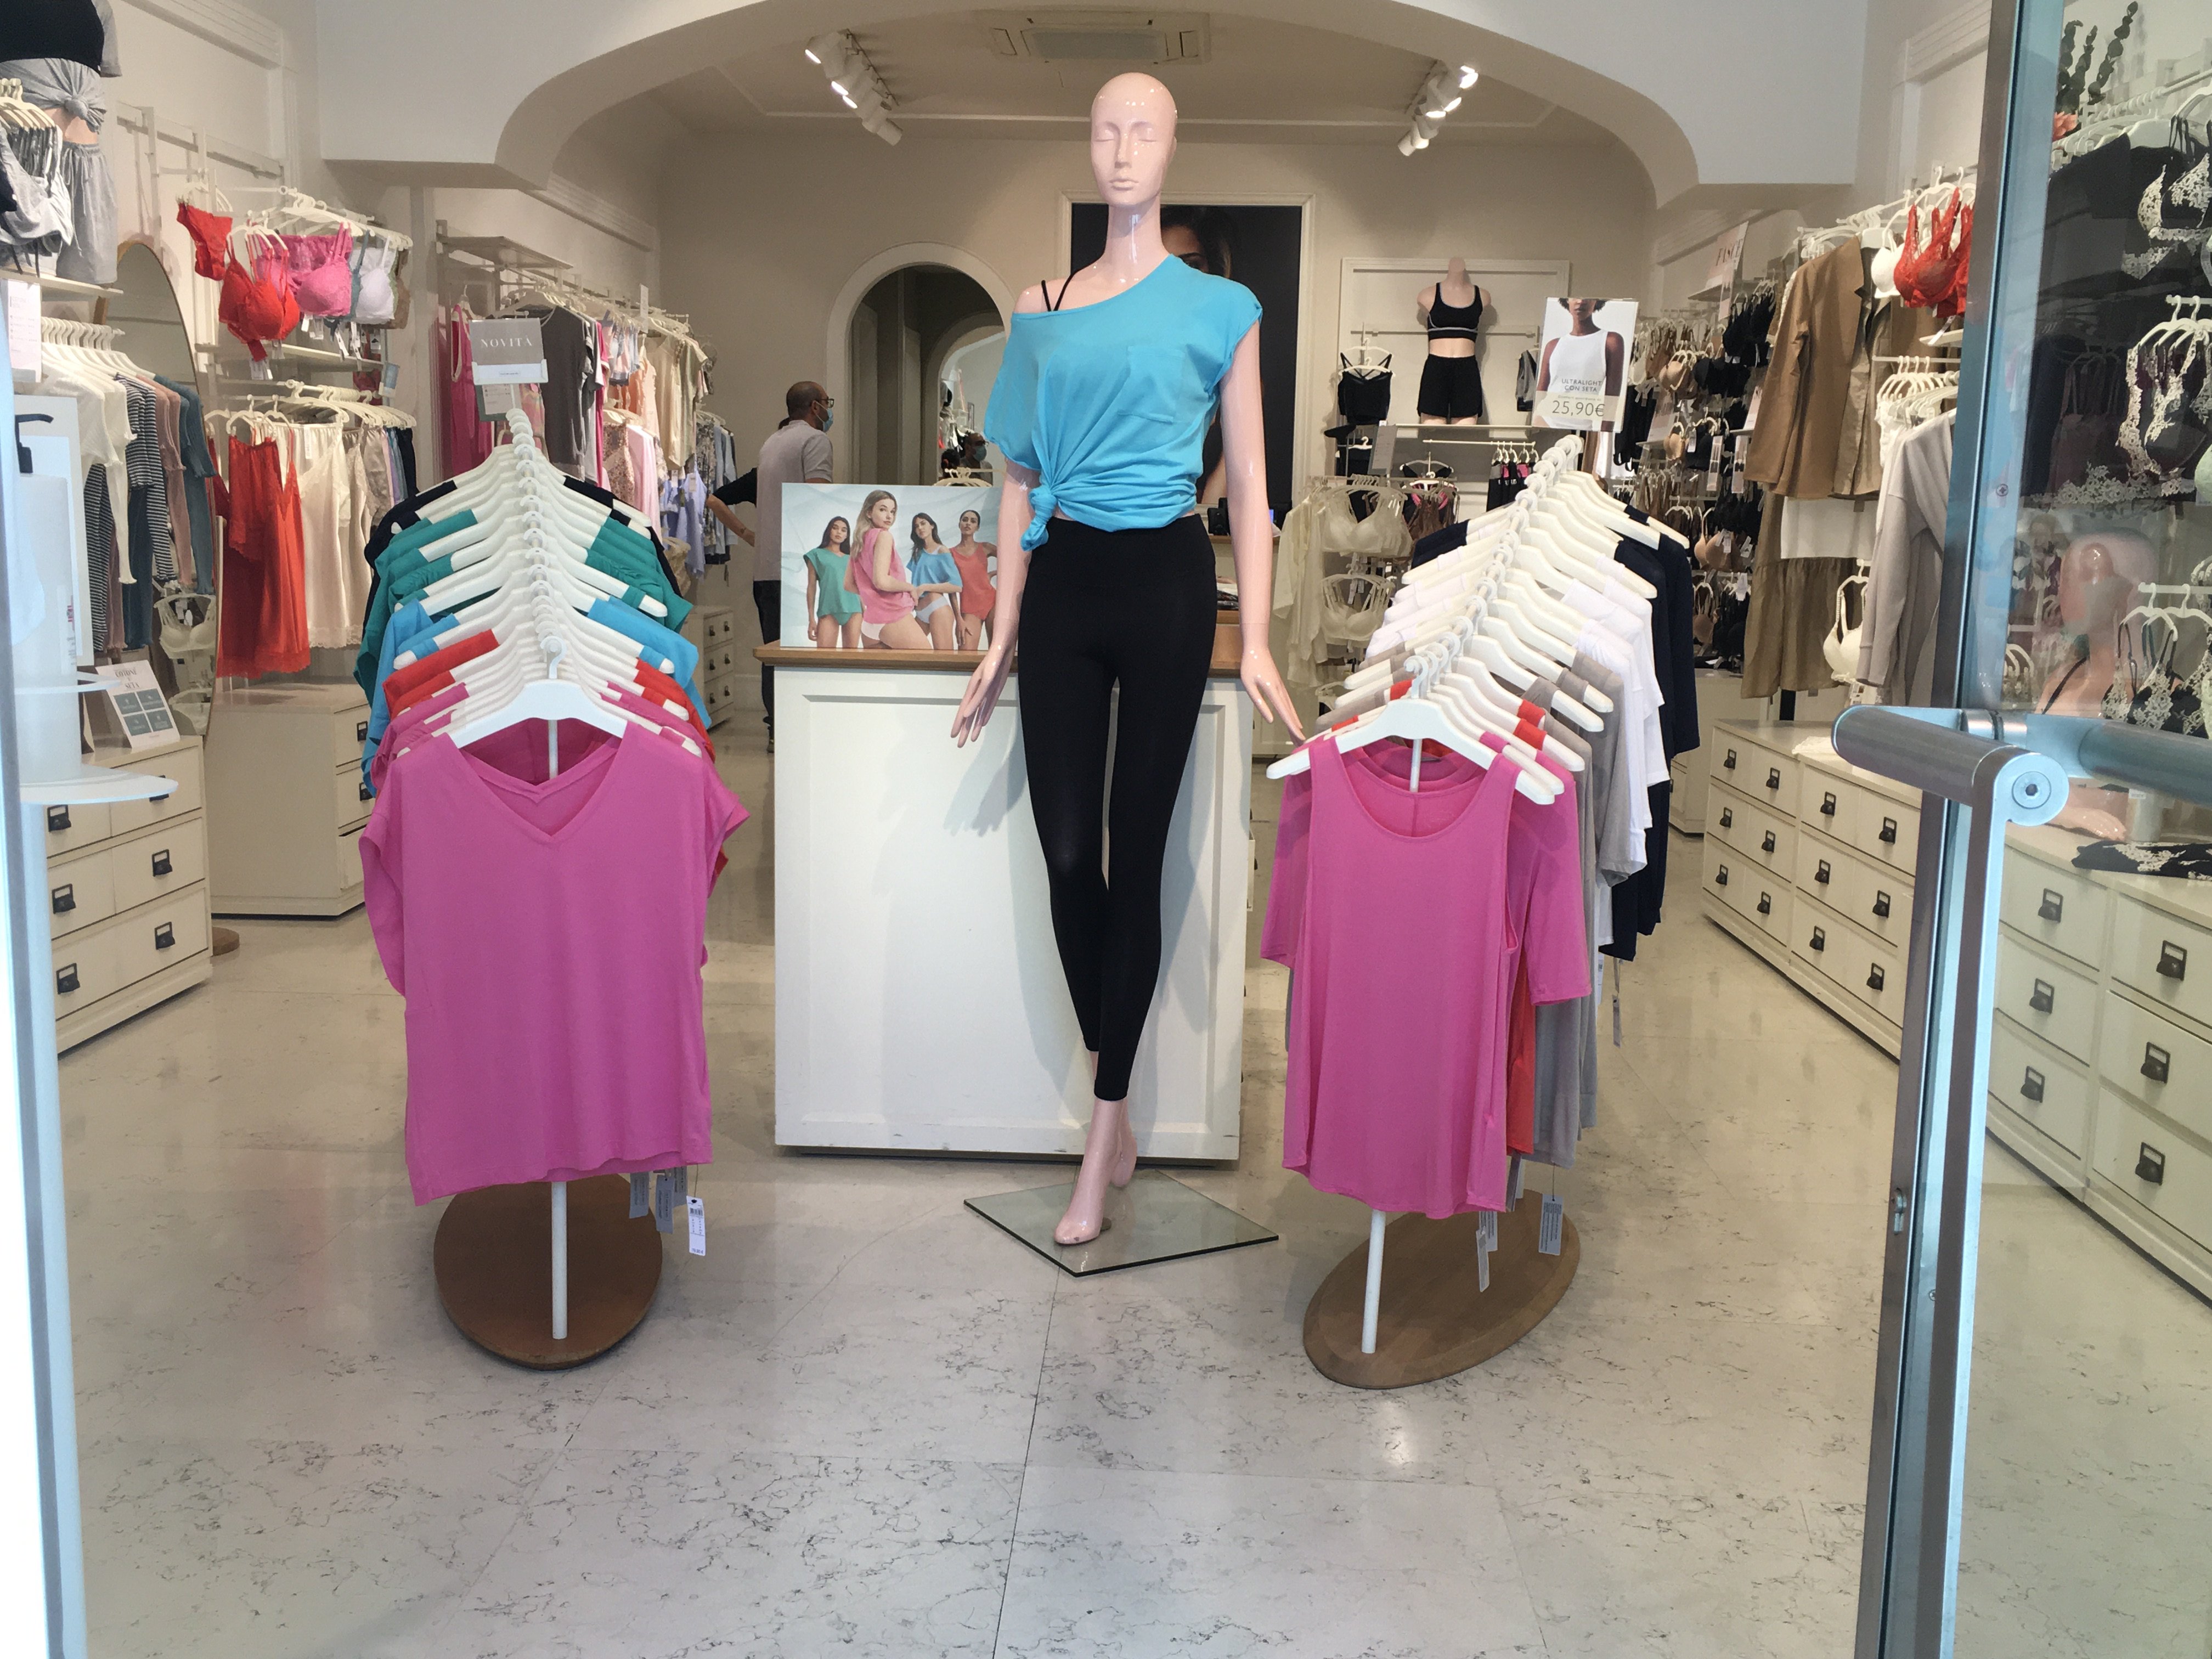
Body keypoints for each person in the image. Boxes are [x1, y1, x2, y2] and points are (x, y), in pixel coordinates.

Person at [950, 72, 1303, 1246]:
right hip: (1063, 584)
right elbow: (1017, 473)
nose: (1121, 148)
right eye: (1105, 128)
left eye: (1143, 129)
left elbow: (1249, 482)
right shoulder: (1041, 304)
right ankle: (1120, 1106)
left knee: (1135, 853)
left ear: (1172, 146)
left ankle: (1103, 1135)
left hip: (1164, 583)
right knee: (1067, 855)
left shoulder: (1224, 308)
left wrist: (1257, 636)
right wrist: (1002, 627)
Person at [741, 382, 835, 743]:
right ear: (814, 407)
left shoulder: (772, 442)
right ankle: (802, 733)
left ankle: (777, 731)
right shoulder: (815, 440)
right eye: (826, 403)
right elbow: (816, 498)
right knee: (804, 651)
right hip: (796, 566)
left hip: (766, 567)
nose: (828, 409)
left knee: (774, 653)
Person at [845, 489, 930, 650]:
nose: (889, 516)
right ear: (869, 512)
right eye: (883, 510)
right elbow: (881, 581)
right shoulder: (884, 536)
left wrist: (871, 595)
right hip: (893, 615)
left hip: (870, 623)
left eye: (893, 511)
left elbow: (848, 585)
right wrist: (910, 587)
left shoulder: (858, 542)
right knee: (926, 661)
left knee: (885, 668)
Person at [1533, 297, 1626, 430]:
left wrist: (1605, 435)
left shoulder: (1610, 341)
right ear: (1567, 301)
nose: (1581, 302)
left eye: (1588, 297)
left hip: (1583, 427)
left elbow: (1612, 398)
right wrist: (1535, 424)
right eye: (1575, 297)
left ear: (1596, 301)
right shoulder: (1553, 346)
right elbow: (1541, 391)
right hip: (1546, 422)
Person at [803, 516, 863, 650]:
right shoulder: (816, 555)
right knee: (825, 656)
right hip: (828, 610)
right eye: (835, 528)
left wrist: (866, 613)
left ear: (847, 535)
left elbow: (858, 588)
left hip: (854, 610)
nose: (839, 532)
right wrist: (811, 619)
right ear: (829, 530)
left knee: (851, 658)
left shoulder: (852, 559)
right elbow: (811, 588)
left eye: (844, 530)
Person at [906, 512, 963, 651]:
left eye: (923, 524)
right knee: (909, 650)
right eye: (916, 526)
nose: (920, 528)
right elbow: (915, 583)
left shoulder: (942, 551)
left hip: (937, 607)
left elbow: (956, 585)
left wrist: (925, 587)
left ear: (932, 526)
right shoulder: (918, 553)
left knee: (944, 657)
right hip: (920, 612)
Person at [949, 507, 997, 649]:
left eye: (973, 521)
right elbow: (951, 589)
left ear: (977, 527)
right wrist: (959, 619)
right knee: (965, 653)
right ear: (959, 524)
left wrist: (993, 574)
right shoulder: (950, 554)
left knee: (998, 650)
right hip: (970, 608)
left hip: (992, 601)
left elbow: (1011, 558)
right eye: (965, 520)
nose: (968, 523)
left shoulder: (986, 547)